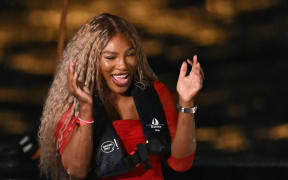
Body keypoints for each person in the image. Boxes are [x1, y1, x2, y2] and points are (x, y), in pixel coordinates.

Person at [38, 13, 204, 180]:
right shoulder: (73, 104)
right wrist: (86, 109)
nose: (123, 65)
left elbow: (181, 163)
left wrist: (186, 101)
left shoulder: (155, 94)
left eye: (130, 55)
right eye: (110, 57)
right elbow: (76, 170)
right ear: (91, 60)